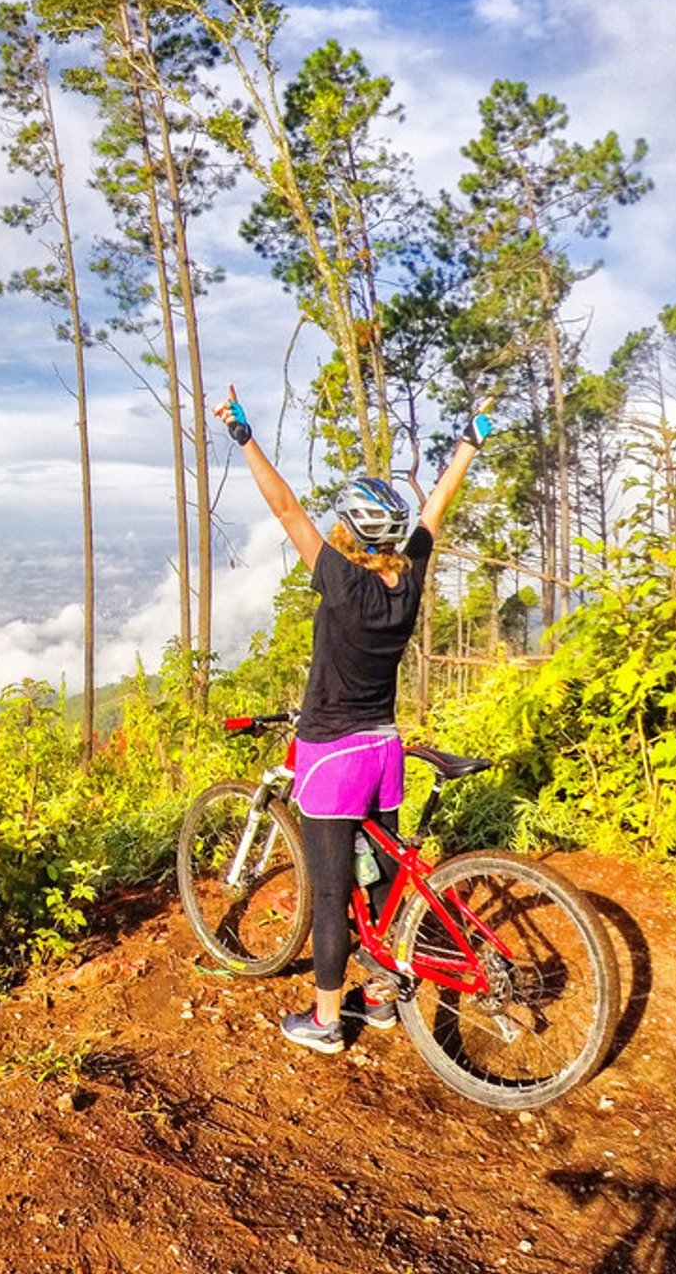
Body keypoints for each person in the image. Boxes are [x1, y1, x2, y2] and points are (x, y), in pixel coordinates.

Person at [213, 383, 490, 1053]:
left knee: (334, 892)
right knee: (384, 881)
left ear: (349, 534)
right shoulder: (409, 579)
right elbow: (437, 505)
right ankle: (381, 1000)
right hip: (384, 751)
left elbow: (284, 508)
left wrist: (243, 435)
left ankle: (328, 1021)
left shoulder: (341, 580)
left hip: (332, 754)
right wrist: (467, 446)